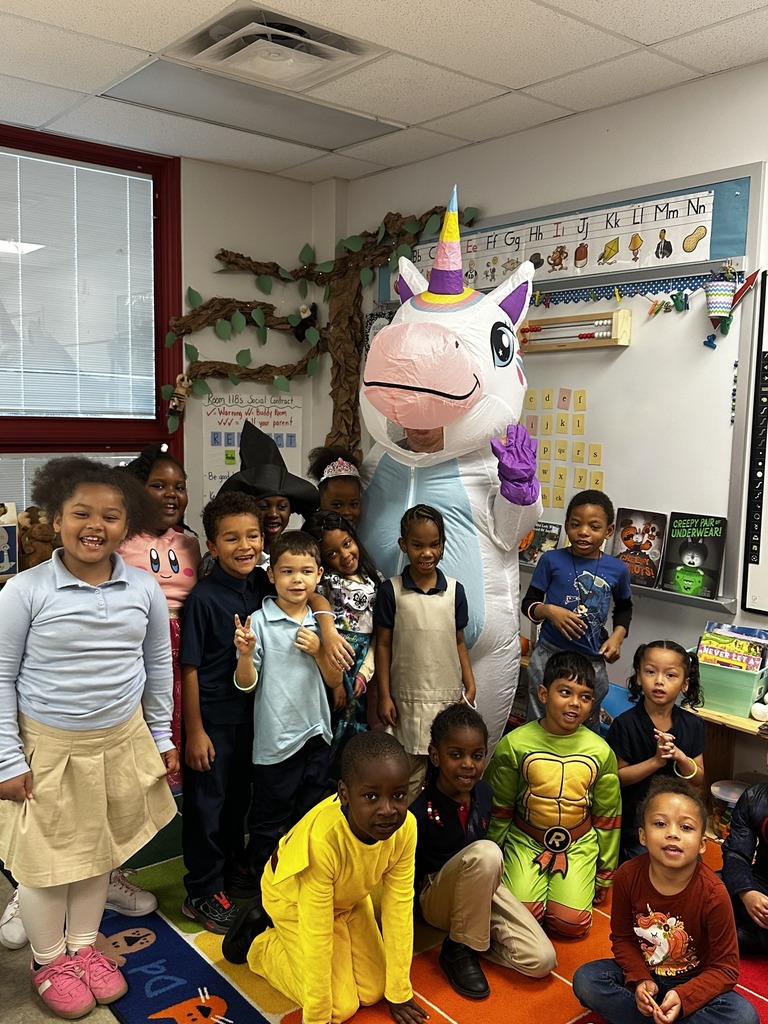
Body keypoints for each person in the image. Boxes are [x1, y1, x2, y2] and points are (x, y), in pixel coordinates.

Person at [0, 457, 178, 1020]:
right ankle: (48, 959)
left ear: (129, 526)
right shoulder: (24, 591)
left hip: (120, 742)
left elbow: (156, 666)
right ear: (55, 519)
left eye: (111, 515)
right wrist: (6, 758)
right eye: (81, 512)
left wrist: (161, 735)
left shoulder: (144, 588)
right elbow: (1, 676)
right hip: (48, 749)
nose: (94, 525)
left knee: (98, 855)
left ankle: (82, 948)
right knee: (46, 864)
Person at [222, 731, 428, 1024]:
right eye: (371, 796)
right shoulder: (323, 841)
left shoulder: (406, 828)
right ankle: (261, 944)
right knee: (339, 1008)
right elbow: (316, 931)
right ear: (344, 794)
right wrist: (317, 1017)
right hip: (294, 903)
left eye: (398, 795)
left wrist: (401, 991)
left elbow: (399, 908)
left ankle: (344, 936)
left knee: (376, 991)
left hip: (349, 900)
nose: (387, 810)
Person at [573, 778, 759, 1024]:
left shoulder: (714, 892)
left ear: (703, 844)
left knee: (744, 1017)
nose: (672, 833)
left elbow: (726, 969)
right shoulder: (627, 876)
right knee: (587, 979)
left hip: (692, 980)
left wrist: (683, 996)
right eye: (660, 823)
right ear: (643, 835)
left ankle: (655, 1017)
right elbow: (623, 939)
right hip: (644, 975)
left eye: (686, 827)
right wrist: (641, 980)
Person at [411, 704, 556, 1000]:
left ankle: (471, 938)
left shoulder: (484, 794)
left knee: (542, 960)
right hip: (435, 898)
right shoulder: (420, 810)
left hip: (478, 890)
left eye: (477, 756)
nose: (468, 764)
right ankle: (457, 950)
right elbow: (405, 873)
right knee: (488, 853)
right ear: (435, 755)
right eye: (456, 755)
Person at [180, 491, 272, 932]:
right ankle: (200, 890)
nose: (245, 546)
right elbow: (190, 668)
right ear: (212, 547)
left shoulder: (260, 586)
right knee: (207, 806)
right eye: (231, 538)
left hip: (252, 716)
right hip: (213, 720)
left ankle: (232, 869)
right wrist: (194, 732)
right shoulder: (203, 598)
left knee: (239, 801)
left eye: (252, 535)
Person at [485, 650, 621, 937]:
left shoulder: (600, 751)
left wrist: (605, 873)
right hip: (526, 841)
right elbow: (500, 807)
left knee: (571, 924)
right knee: (522, 919)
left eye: (585, 696)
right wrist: (492, 858)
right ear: (544, 694)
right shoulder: (515, 744)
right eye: (565, 692)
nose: (575, 703)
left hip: (579, 844)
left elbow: (608, 817)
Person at [233, 530, 344, 882]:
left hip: (317, 735)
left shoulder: (321, 623)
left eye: (307, 571)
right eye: (287, 571)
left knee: (309, 817)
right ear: (271, 575)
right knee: (267, 822)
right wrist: (246, 655)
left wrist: (319, 651)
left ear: (319, 575)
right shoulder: (259, 622)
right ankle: (264, 889)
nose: (298, 579)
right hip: (276, 743)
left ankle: (301, 884)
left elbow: (334, 681)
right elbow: (246, 684)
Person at [374, 504, 477, 802]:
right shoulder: (391, 591)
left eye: (434, 545)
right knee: (409, 775)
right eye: (418, 545)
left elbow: (459, 641)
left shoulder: (455, 591)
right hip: (405, 699)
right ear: (403, 545)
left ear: (443, 546)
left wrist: (470, 682)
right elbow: (382, 644)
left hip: (447, 697)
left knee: (446, 769)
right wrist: (384, 695)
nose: (427, 553)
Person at [121, 442, 201, 792]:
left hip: (187, 649)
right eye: (159, 486)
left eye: (179, 487)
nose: (171, 495)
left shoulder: (191, 542)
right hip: (139, 649)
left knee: (184, 723)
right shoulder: (120, 540)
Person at [523, 489, 632, 729]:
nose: (583, 532)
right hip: (549, 655)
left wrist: (617, 637)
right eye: (575, 524)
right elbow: (528, 604)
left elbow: (624, 607)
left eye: (594, 527)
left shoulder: (617, 569)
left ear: (609, 531)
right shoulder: (551, 560)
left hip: (591, 660)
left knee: (584, 726)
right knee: (539, 723)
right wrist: (550, 611)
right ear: (567, 526)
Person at [607, 641, 706, 862]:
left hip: (680, 822)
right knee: (650, 868)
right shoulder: (625, 724)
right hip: (637, 824)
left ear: (685, 684)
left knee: (692, 872)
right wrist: (656, 761)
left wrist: (680, 756)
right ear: (639, 678)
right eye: (650, 672)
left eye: (671, 675)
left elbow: (698, 778)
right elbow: (617, 778)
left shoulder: (693, 725)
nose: (659, 681)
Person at [303, 509, 381, 769]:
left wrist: (364, 674)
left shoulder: (375, 581)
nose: (345, 555)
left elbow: (377, 639)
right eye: (332, 553)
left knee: (354, 728)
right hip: (331, 662)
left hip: (361, 668)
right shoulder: (324, 583)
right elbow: (313, 602)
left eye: (347, 544)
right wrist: (335, 677)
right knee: (329, 722)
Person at [217, 421, 319, 566]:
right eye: (264, 507)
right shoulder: (230, 559)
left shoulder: (301, 555)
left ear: (291, 510)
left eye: (282, 507)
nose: (273, 514)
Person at [722, 781, 768, 955]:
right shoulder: (753, 797)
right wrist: (747, 893)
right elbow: (736, 853)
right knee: (705, 888)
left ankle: (743, 936)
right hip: (761, 883)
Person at [307, 445, 364, 524]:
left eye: (354, 504)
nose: (347, 512)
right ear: (320, 502)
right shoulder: (312, 533)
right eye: (337, 505)